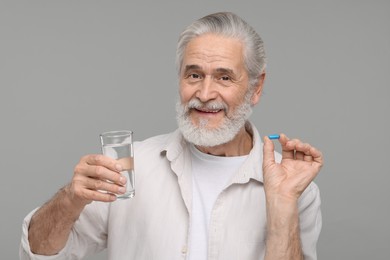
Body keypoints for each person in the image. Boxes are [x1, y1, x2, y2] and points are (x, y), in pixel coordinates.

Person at [20, 12, 323, 260]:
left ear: (256, 87)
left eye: (224, 77)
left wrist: (283, 204)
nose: (204, 94)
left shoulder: (295, 187)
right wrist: (70, 199)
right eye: (194, 75)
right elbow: (37, 254)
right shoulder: (128, 166)